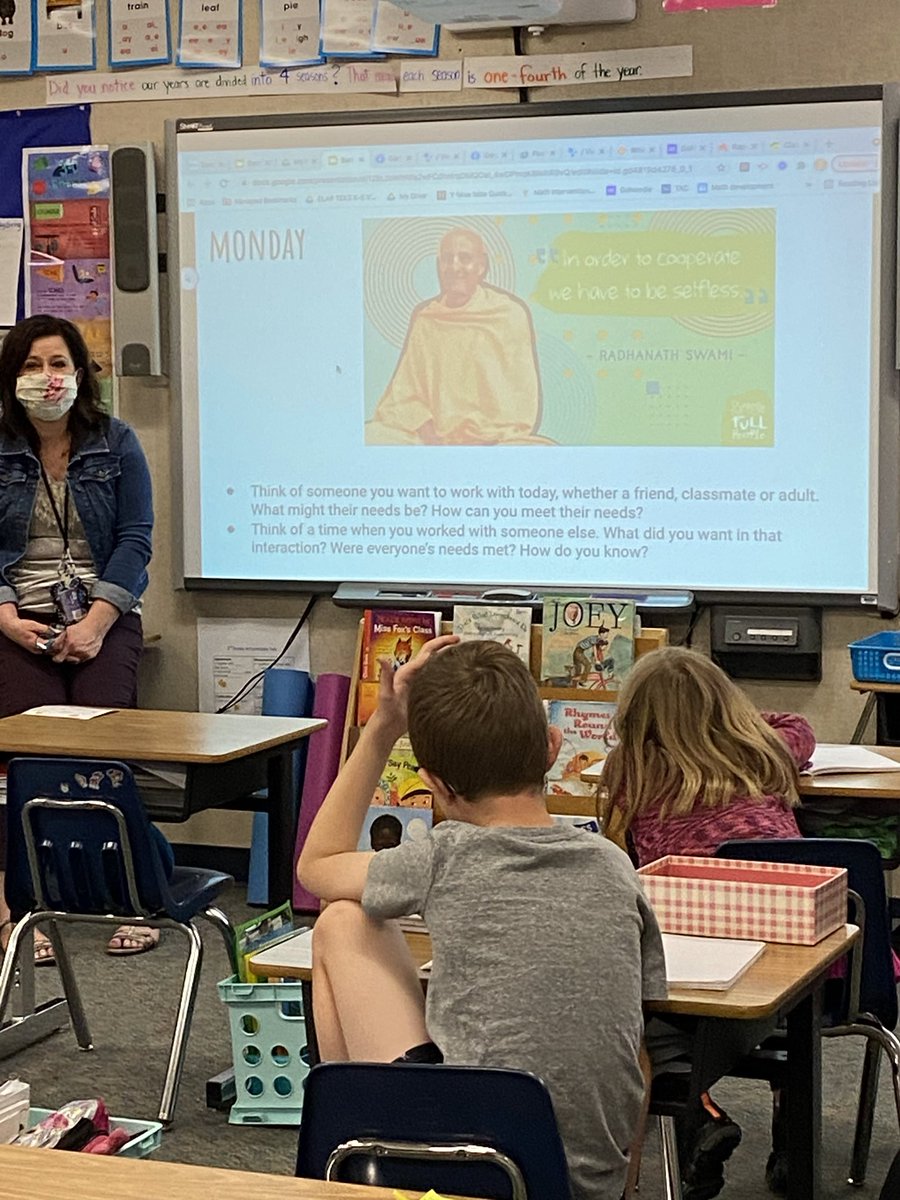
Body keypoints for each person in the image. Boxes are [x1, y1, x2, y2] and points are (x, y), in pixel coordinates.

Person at [298, 636, 667, 1200]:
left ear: (436, 785)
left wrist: (381, 729)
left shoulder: (445, 855)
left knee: (340, 922)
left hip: (476, 1168)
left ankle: (358, 1175)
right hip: (579, 1183)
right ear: (552, 746)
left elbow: (316, 866)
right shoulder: (616, 866)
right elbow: (637, 1048)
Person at [599, 646, 815, 1200]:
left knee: (636, 1011)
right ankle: (785, 1128)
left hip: (686, 978)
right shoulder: (764, 753)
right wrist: (733, 723)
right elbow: (798, 727)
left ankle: (697, 1111)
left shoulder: (632, 776)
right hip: (793, 970)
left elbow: (619, 872)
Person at [0, 313, 159, 959]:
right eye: (32, 366)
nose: (47, 378)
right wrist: (6, 616)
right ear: (13, 378)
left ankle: (131, 899)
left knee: (103, 752)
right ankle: (19, 912)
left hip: (105, 615)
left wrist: (96, 621)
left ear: (79, 373)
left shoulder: (116, 442)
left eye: (58, 364)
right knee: (19, 760)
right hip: (15, 619)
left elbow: (136, 537)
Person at [365, 227, 550, 446]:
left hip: (494, 441)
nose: (454, 267)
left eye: (464, 258)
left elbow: (520, 404)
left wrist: (480, 438)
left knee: (534, 450)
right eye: (447, 259)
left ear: (481, 266)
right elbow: (404, 397)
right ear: (439, 266)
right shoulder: (427, 320)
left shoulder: (509, 315)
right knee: (371, 435)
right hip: (433, 440)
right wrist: (432, 437)